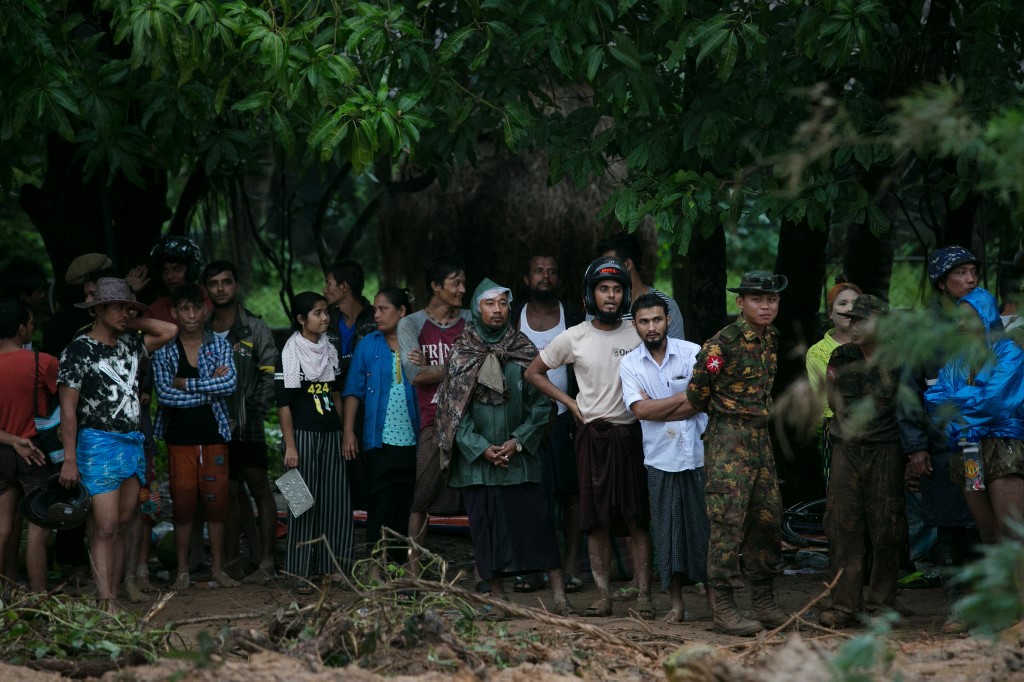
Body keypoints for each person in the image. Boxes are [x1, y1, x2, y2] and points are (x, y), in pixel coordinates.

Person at [436, 279, 575, 615]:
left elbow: (542, 405)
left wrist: (519, 441)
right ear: (476, 309)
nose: (497, 310)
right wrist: (481, 448)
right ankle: (498, 598)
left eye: (502, 303)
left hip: (520, 459)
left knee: (539, 524)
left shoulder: (523, 348)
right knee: (486, 531)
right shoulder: (462, 352)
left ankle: (559, 597)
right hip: (478, 463)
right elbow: (454, 410)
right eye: (489, 304)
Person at [526, 257, 653, 619]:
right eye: (603, 290)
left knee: (636, 519)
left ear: (626, 295)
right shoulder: (574, 336)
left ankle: (644, 596)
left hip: (633, 434)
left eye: (616, 290)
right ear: (589, 295)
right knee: (595, 519)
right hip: (591, 436)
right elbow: (534, 372)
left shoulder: (638, 331)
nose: (610, 296)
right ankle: (603, 596)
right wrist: (569, 402)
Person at [57, 278, 177, 608]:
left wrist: (127, 316)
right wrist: (70, 458)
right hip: (97, 443)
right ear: (97, 309)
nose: (124, 313)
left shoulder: (131, 344)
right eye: (117, 307)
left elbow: (169, 330)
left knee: (122, 525)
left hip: (131, 443)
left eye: (128, 307)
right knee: (105, 526)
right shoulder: (78, 349)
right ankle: (105, 599)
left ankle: (109, 599)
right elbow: (68, 409)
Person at [686, 270, 788, 636]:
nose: (766, 305)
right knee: (727, 522)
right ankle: (724, 607)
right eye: (757, 299)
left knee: (767, 519)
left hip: (760, 438)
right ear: (740, 302)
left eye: (772, 299)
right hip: (729, 438)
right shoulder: (720, 346)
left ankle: (763, 600)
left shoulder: (771, 338)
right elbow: (696, 395)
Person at [899, 245, 982, 634]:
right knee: (949, 524)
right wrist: (915, 447)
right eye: (960, 273)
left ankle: (990, 603)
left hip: (981, 446)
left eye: (972, 272)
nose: (969, 279)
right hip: (942, 447)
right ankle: (958, 606)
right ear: (941, 282)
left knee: (982, 520)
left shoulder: (987, 320)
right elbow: (908, 391)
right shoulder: (923, 332)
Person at [619, 293, 709, 623]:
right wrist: (683, 400)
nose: (651, 327)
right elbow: (639, 410)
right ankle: (677, 605)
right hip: (659, 458)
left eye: (657, 319)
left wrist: (660, 407)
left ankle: (715, 603)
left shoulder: (693, 352)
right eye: (644, 321)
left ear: (668, 320)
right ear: (636, 326)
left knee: (704, 531)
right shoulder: (630, 363)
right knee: (667, 533)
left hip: (699, 454)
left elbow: (703, 401)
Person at [818, 295, 905, 629]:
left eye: (861, 321)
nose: (853, 327)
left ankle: (881, 604)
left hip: (886, 449)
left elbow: (909, 408)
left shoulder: (898, 359)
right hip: (847, 448)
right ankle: (844, 605)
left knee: (887, 528)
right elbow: (832, 397)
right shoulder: (841, 356)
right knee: (842, 525)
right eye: (851, 320)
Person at [153, 283, 241, 590]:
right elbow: (164, 395)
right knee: (182, 505)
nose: (191, 315)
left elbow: (229, 383)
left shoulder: (219, 345)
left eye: (196, 308)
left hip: (214, 433)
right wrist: (207, 387)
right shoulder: (164, 350)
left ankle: (217, 569)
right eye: (185, 309)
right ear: (175, 313)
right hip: (179, 438)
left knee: (217, 505)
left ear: (205, 310)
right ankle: (182, 571)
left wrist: (187, 384)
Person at [511, 254, 585, 594]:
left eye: (552, 272)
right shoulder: (514, 316)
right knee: (529, 495)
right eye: (538, 271)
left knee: (570, 494)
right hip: (524, 423)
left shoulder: (572, 316)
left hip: (566, 419)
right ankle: (533, 565)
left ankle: (571, 566)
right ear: (526, 279)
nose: (545, 277)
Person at [925, 287, 1024, 542]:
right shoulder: (957, 361)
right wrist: (975, 394)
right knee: (988, 531)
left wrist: (960, 400)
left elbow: (995, 403)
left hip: (1004, 448)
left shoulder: (1009, 353)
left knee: (1012, 532)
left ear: (986, 315)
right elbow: (935, 401)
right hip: (968, 448)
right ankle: (998, 584)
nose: (961, 323)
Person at [204, 261, 279, 583]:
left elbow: (270, 372)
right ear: (206, 289)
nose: (221, 288)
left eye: (226, 282)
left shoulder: (254, 327)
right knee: (228, 493)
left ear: (236, 286)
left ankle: (267, 562)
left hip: (247, 422)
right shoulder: (202, 329)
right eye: (214, 283)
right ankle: (232, 563)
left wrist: (255, 409)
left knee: (260, 488)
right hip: (213, 423)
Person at [397, 257, 471, 574]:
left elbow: (487, 365)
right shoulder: (411, 324)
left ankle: (485, 573)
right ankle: (414, 573)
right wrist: (462, 365)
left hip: (471, 422)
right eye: (455, 283)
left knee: (477, 498)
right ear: (435, 286)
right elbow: (415, 375)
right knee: (421, 499)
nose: (462, 290)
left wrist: (435, 367)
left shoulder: (470, 319)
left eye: (463, 283)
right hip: (433, 422)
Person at [275, 291, 352, 582]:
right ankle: (299, 572)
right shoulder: (290, 351)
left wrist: (346, 432)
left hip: (331, 433)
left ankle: (334, 568)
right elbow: (283, 404)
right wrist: (290, 446)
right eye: (317, 313)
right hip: (301, 437)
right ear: (301, 319)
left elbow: (336, 393)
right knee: (300, 504)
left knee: (336, 502)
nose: (324, 318)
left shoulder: (330, 346)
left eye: (325, 312)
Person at [342, 288, 419, 567]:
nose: (376, 315)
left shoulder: (418, 343)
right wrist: (349, 431)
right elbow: (353, 390)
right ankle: (375, 568)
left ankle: (401, 568)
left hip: (414, 439)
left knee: (407, 506)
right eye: (375, 309)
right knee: (379, 505)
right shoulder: (368, 344)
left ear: (402, 312)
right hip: (379, 439)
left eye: (383, 309)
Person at [0, 301, 55, 592]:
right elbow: (69, 398)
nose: (32, 328)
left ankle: (4, 592)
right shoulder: (41, 362)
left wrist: (10, 440)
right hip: (33, 453)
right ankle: (39, 596)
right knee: (38, 528)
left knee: (3, 527)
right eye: (30, 324)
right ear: (21, 329)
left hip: (1, 453)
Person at [805, 279, 862, 488]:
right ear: (830, 313)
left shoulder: (877, 345)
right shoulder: (818, 352)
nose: (849, 309)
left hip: (880, 429)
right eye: (843, 303)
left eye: (855, 303)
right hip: (839, 431)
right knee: (842, 495)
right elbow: (825, 402)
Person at [597, 231, 685, 339]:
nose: (604, 272)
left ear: (627, 264)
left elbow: (676, 353)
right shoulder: (598, 307)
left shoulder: (668, 306)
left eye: (610, 265)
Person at [323, 259, 377, 380]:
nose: (324, 290)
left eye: (328, 283)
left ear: (344, 286)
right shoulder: (326, 321)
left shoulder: (375, 321)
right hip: (333, 392)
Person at [146, 237, 208, 326]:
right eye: (165, 271)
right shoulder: (157, 308)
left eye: (176, 269)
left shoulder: (210, 299)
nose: (170, 276)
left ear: (191, 270)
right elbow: (136, 333)